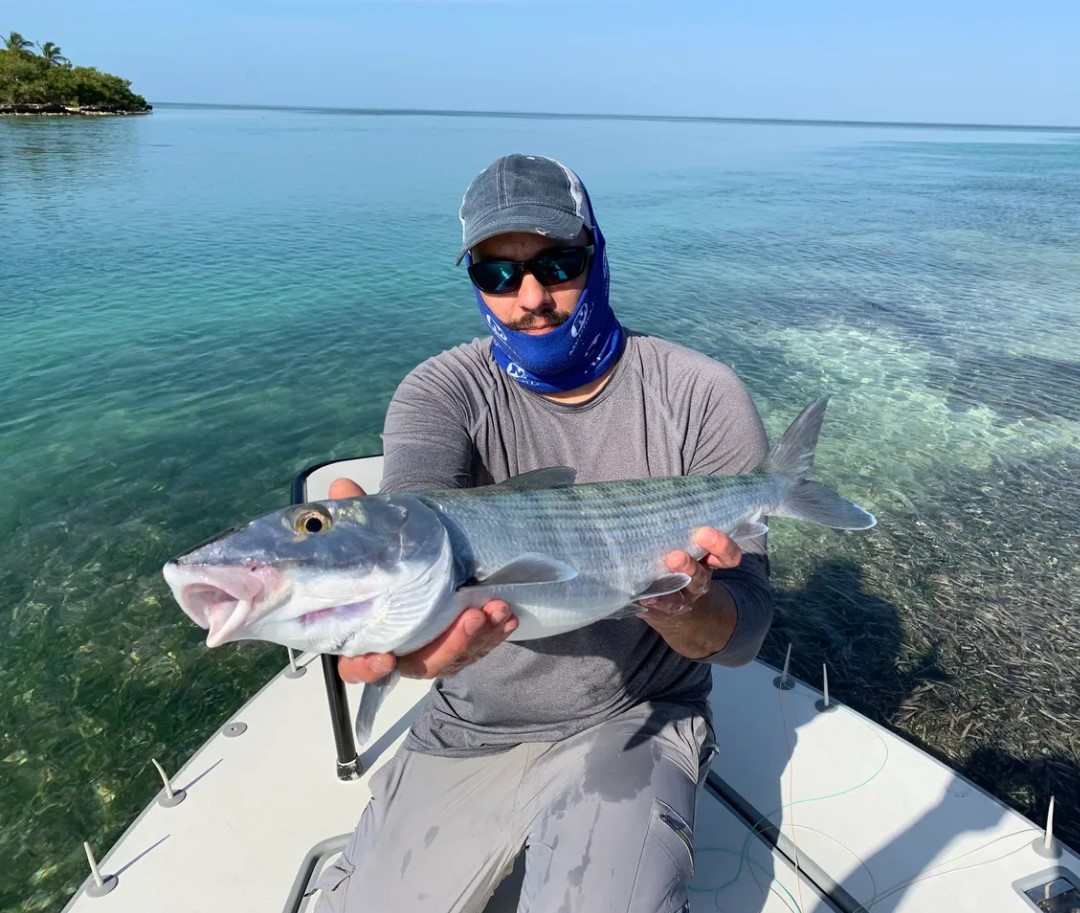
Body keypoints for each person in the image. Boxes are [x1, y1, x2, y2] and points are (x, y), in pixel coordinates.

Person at [314, 153, 774, 913]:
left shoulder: (700, 393)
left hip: (635, 714)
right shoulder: (442, 391)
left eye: (557, 264)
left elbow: (748, 628)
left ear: (597, 255)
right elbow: (417, 514)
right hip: (469, 723)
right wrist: (403, 623)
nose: (530, 298)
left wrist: (692, 610)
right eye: (497, 276)